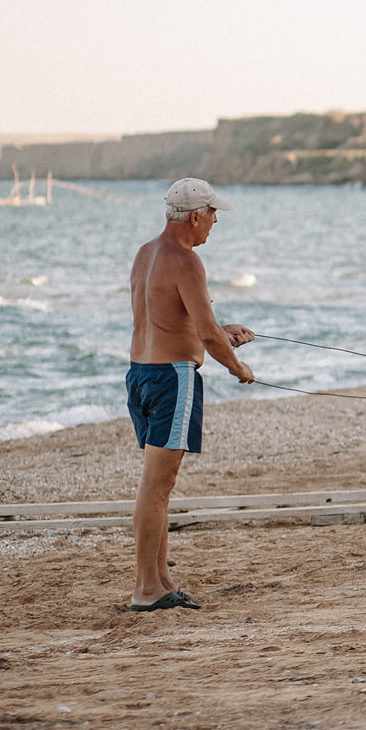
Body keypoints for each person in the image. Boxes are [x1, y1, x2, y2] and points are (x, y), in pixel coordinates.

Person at [126, 177, 256, 611]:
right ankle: (146, 589)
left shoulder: (146, 254)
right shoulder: (186, 261)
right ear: (194, 216)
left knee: (157, 486)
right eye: (213, 213)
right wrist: (239, 368)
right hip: (171, 380)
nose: (216, 220)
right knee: (156, 488)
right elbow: (206, 335)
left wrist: (222, 330)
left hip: (141, 374)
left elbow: (171, 319)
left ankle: (160, 580)